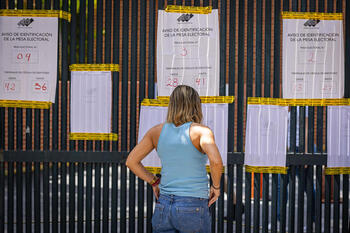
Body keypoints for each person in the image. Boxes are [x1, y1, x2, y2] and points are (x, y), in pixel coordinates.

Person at [126, 85, 223, 233]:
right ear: (196, 105)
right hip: (193, 204)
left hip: (163, 204)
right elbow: (216, 162)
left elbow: (131, 161)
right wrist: (215, 187)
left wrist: (154, 181)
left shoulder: (156, 132)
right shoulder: (202, 131)